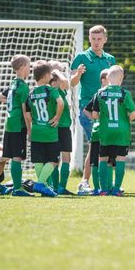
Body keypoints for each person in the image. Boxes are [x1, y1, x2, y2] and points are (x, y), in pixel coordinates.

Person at [71, 25, 116, 194]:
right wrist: (78, 74)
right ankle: (84, 181)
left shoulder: (110, 59)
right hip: (88, 108)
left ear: (105, 40)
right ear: (89, 39)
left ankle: (106, 182)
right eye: (93, 39)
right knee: (95, 145)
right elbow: (72, 83)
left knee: (107, 144)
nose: (96, 42)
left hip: (106, 109)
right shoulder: (82, 57)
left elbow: (115, 83)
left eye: (99, 39)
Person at [91, 65, 135, 196]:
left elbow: (94, 114)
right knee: (120, 159)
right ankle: (116, 189)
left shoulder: (99, 93)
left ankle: (104, 189)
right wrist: (127, 120)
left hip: (105, 132)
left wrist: (104, 118)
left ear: (108, 77)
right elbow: (133, 113)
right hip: (121, 131)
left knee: (103, 159)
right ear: (121, 78)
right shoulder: (125, 93)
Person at [26, 60, 64, 197]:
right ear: (46, 76)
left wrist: (32, 127)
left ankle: (44, 187)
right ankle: (41, 183)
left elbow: (27, 114)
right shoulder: (50, 90)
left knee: (39, 160)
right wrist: (57, 117)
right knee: (54, 160)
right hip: (49, 131)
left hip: (36, 131)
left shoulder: (31, 93)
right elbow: (60, 102)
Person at [0, 54, 33, 197]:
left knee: (12, 157)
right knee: (17, 157)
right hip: (18, 125)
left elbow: (0, 97)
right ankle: (18, 188)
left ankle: (16, 186)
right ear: (23, 67)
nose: (30, 69)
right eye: (29, 66)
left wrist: (12, 103)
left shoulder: (12, 84)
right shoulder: (23, 86)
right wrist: (30, 130)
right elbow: (25, 111)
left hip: (9, 124)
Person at [80, 69, 110, 196]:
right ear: (103, 80)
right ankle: (97, 186)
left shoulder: (113, 94)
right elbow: (86, 110)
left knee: (108, 159)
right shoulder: (99, 94)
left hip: (109, 131)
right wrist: (96, 119)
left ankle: (107, 185)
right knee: (95, 158)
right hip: (99, 131)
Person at [49, 61, 75, 195]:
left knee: (61, 158)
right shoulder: (55, 89)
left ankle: (59, 187)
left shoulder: (52, 89)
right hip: (59, 126)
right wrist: (57, 71)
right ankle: (57, 187)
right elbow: (66, 82)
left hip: (58, 127)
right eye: (60, 72)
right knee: (59, 158)